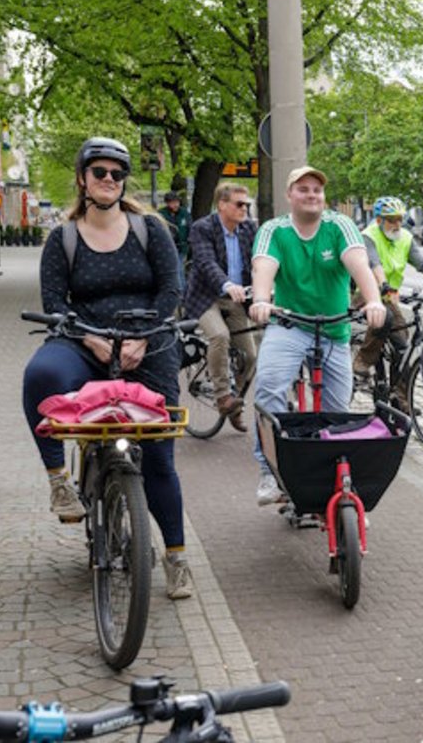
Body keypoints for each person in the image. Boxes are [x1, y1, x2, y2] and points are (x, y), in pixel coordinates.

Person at [21, 137, 194, 600]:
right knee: (41, 375)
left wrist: (144, 337)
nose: (109, 181)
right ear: (82, 178)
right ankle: (60, 482)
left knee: (159, 458)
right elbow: (55, 302)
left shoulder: (150, 229)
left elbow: (170, 291)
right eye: (100, 172)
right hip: (85, 341)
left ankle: (176, 557)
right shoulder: (63, 238)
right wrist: (90, 339)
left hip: (148, 343)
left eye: (117, 174)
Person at [247, 165, 386, 505]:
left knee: (339, 410)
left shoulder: (339, 225)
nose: (312, 195)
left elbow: (358, 264)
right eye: (303, 189)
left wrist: (373, 301)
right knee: (268, 388)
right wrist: (262, 299)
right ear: (289, 195)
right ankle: (270, 472)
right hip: (289, 325)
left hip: (334, 328)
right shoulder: (274, 230)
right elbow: (263, 265)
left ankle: (337, 484)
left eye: (317, 190)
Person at [352, 196, 423, 402]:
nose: (397, 224)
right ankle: (362, 361)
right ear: (380, 220)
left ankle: (400, 398)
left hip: (389, 296)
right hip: (366, 293)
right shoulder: (368, 236)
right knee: (386, 319)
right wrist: (383, 285)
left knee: (403, 346)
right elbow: (374, 263)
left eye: (400, 219)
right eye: (391, 219)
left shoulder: (405, 238)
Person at [182, 182, 258, 432]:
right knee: (219, 336)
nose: (244, 208)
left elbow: (259, 260)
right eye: (239, 204)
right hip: (207, 297)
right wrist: (226, 284)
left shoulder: (249, 228)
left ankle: (234, 405)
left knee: (250, 355)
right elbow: (205, 262)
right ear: (222, 204)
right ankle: (223, 395)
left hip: (236, 298)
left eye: (247, 204)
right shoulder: (202, 228)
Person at [157, 191, 191, 289]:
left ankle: (182, 292)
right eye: (172, 202)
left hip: (182, 247)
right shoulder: (161, 214)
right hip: (168, 247)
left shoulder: (184, 213)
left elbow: (190, 227)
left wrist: (189, 241)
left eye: (177, 202)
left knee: (179, 268)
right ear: (167, 203)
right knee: (173, 269)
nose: (175, 205)